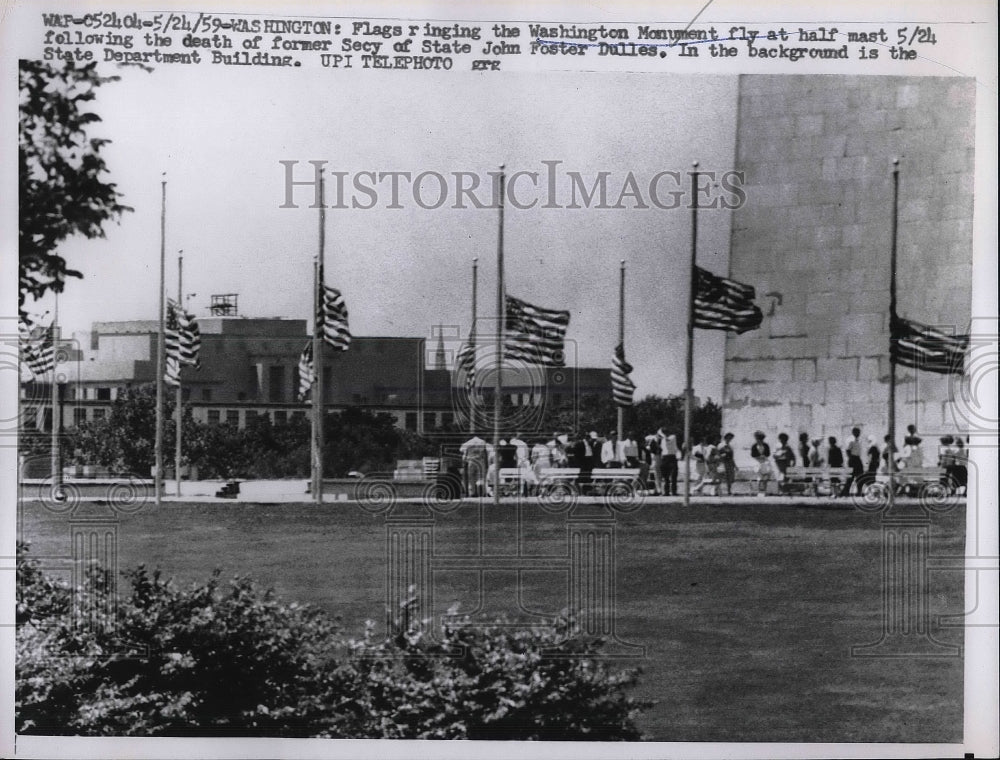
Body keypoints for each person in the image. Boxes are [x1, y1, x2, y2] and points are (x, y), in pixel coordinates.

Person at [844, 427, 865, 496]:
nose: (858, 434)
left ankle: (859, 491)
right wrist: (851, 459)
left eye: (859, 432)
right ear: (853, 432)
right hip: (853, 459)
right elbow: (847, 450)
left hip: (858, 458)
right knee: (851, 477)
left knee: (860, 476)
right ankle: (846, 492)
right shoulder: (851, 440)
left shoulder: (858, 440)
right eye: (856, 432)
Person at [750, 431, 772, 497]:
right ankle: (760, 491)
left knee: (765, 475)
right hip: (757, 462)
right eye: (757, 439)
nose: (759, 440)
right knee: (759, 477)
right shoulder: (754, 446)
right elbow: (752, 454)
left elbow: (768, 453)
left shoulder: (766, 445)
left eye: (760, 439)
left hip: (765, 461)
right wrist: (758, 456)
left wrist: (764, 456)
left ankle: (764, 490)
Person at [662, 432, 680, 496]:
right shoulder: (662, 439)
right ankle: (666, 491)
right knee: (665, 476)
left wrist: (661, 434)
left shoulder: (673, 436)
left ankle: (673, 491)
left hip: (672, 456)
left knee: (673, 475)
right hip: (665, 457)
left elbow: (667, 440)